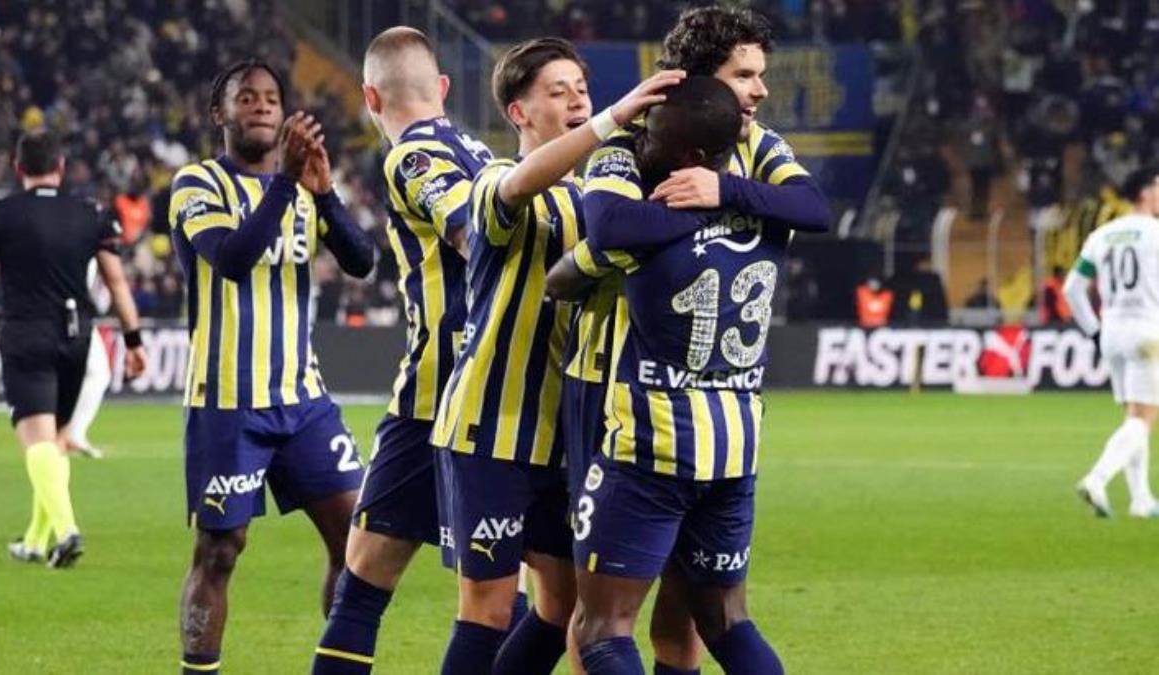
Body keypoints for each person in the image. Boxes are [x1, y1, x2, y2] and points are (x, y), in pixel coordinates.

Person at [557, 7, 830, 673]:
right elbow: (608, 228)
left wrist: (719, 191)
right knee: (654, 613)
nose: (760, 89)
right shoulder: (632, 143)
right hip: (627, 392)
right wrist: (732, 207)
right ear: (697, 80)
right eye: (745, 75)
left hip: (654, 416)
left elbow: (815, 208)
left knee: (622, 623)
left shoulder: (755, 144)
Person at [427, 39, 680, 675]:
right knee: (488, 608)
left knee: (563, 606)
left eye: (582, 90)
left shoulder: (602, 199)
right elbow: (520, 183)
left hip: (568, 434)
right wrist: (614, 117)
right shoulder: (494, 183)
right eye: (557, 91)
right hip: (491, 426)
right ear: (518, 113)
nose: (576, 101)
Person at [170, 60, 376, 675]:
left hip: (304, 400)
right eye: (246, 98)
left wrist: (326, 192)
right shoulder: (197, 183)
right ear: (220, 113)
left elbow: (362, 262)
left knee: (355, 542)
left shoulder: (304, 190)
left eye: (271, 98)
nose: (261, 105)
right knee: (220, 551)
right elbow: (232, 259)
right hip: (227, 401)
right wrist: (286, 183)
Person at [312, 27, 499, 675]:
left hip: (439, 393)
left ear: (370, 97)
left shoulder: (412, 154)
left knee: (367, 586)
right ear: (442, 86)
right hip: (500, 394)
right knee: (506, 589)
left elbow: (475, 235)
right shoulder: (484, 152)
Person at [0, 129, 147, 568]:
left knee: (37, 441)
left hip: (26, 332)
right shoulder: (92, 213)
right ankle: (35, 540)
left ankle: (66, 531)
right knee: (55, 440)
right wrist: (133, 341)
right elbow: (117, 283)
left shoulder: (0, 214)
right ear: (61, 168)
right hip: (77, 336)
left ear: (18, 167)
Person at [1067, 165, 1159, 519]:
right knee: (1144, 418)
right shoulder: (1154, 234)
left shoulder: (1103, 235)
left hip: (1111, 334)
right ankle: (1097, 478)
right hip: (1147, 333)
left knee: (1133, 416)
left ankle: (1141, 498)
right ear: (1145, 193)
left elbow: (1072, 289)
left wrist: (1093, 331)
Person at [62, 259, 114, 459]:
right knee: (98, 373)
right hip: (70, 315)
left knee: (93, 372)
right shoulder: (89, 244)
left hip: (38, 312)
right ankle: (72, 433)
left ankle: (67, 432)